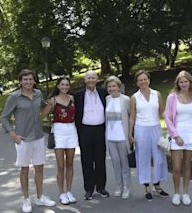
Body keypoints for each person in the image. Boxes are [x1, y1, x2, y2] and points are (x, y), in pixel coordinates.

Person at [1, 69, 56, 213]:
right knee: (24, 169)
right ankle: (26, 199)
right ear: (20, 81)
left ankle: (40, 196)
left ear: (34, 81)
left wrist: (49, 105)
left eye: (31, 79)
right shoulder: (14, 97)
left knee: (39, 168)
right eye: (25, 79)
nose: (28, 82)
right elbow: (4, 117)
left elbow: (41, 113)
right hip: (23, 139)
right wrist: (13, 134)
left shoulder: (38, 94)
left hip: (38, 137)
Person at [129, 70, 169, 201]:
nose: (143, 82)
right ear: (137, 82)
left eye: (145, 79)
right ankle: (146, 186)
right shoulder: (134, 97)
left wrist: (170, 124)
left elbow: (162, 111)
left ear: (149, 80)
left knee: (159, 158)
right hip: (141, 129)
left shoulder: (156, 94)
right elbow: (132, 117)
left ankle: (157, 184)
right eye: (140, 80)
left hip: (156, 128)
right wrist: (130, 133)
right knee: (143, 158)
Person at [164, 70, 192, 206]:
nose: (184, 84)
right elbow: (167, 117)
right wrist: (176, 135)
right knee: (177, 167)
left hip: (191, 133)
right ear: (178, 83)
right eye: (181, 82)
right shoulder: (172, 97)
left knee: (187, 165)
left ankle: (185, 193)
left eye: (186, 81)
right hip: (177, 134)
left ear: (190, 82)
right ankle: (176, 193)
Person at [41, 75, 78, 205]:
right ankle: (62, 193)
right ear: (58, 86)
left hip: (71, 130)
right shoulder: (53, 100)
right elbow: (42, 115)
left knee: (70, 164)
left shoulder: (72, 98)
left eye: (67, 85)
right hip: (58, 131)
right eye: (62, 84)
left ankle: (69, 191)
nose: (65, 87)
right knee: (60, 165)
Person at [74, 70, 109, 200]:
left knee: (100, 160)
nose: (91, 80)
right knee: (87, 160)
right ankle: (89, 189)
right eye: (88, 78)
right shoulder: (78, 95)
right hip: (85, 131)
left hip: (100, 130)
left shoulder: (103, 92)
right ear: (85, 80)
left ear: (97, 79)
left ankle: (101, 187)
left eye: (93, 77)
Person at [104, 75, 132, 199]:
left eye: (114, 86)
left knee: (124, 163)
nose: (111, 88)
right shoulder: (107, 99)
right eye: (109, 86)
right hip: (110, 138)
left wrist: (131, 134)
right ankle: (119, 185)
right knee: (115, 163)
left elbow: (131, 117)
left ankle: (127, 187)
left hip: (122, 137)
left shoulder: (126, 99)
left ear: (118, 87)